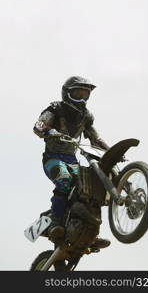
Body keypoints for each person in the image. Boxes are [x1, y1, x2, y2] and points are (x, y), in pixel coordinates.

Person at [33, 76, 110, 248]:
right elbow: (38, 126)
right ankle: (54, 224)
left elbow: (95, 138)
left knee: (90, 189)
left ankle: (90, 233)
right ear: (67, 93)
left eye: (85, 95)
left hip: (72, 159)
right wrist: (49, 131)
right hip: (52, 158)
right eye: (78, 94)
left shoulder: (85, 116)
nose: (82, 99)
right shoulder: (55, 108)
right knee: (64, 179)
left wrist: (110, 150)